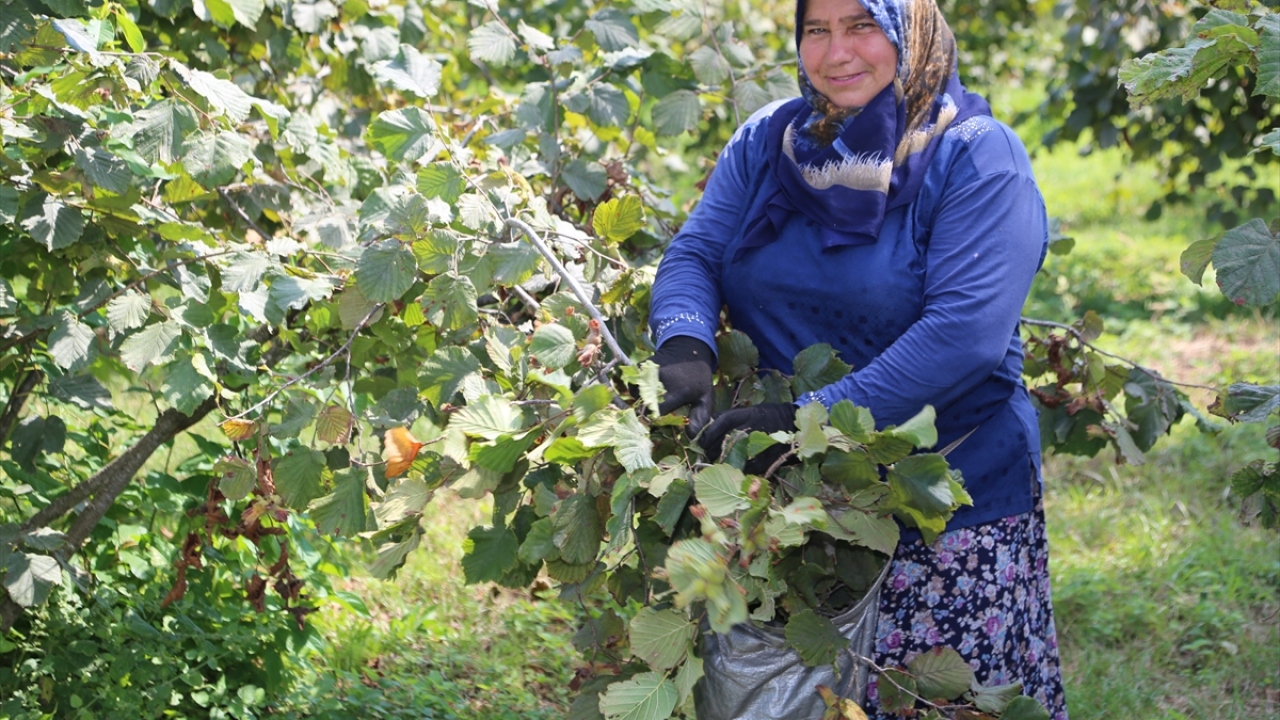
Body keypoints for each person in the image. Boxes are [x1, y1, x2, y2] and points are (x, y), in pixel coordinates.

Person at [647, 0, 1069, 717]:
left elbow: (963, 336)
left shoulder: (975, 156)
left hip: (943, 505)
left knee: (930, 699)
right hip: (786, 502)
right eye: (817, 29)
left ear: (912, 33)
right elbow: (696, 251)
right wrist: (685, 342)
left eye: (863, 25)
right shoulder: (771, 141)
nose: (836, 51)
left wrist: (801, 421)